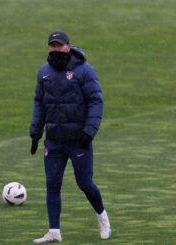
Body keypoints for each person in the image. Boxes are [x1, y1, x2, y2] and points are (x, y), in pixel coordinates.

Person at [30, 30, 111, 243]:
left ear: (68, 46)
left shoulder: (85, 71)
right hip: (54, 140)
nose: (56, 49)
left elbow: (96, 102)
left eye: (60, 45)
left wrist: (89, 132)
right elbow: (40, 103)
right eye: (52, 45)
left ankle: (102, 217)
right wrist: (35, 132)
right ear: (48, 47)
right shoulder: (44, 73)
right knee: (52, 185)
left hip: (78, 140)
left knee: (85, 183)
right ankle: (54, 232)